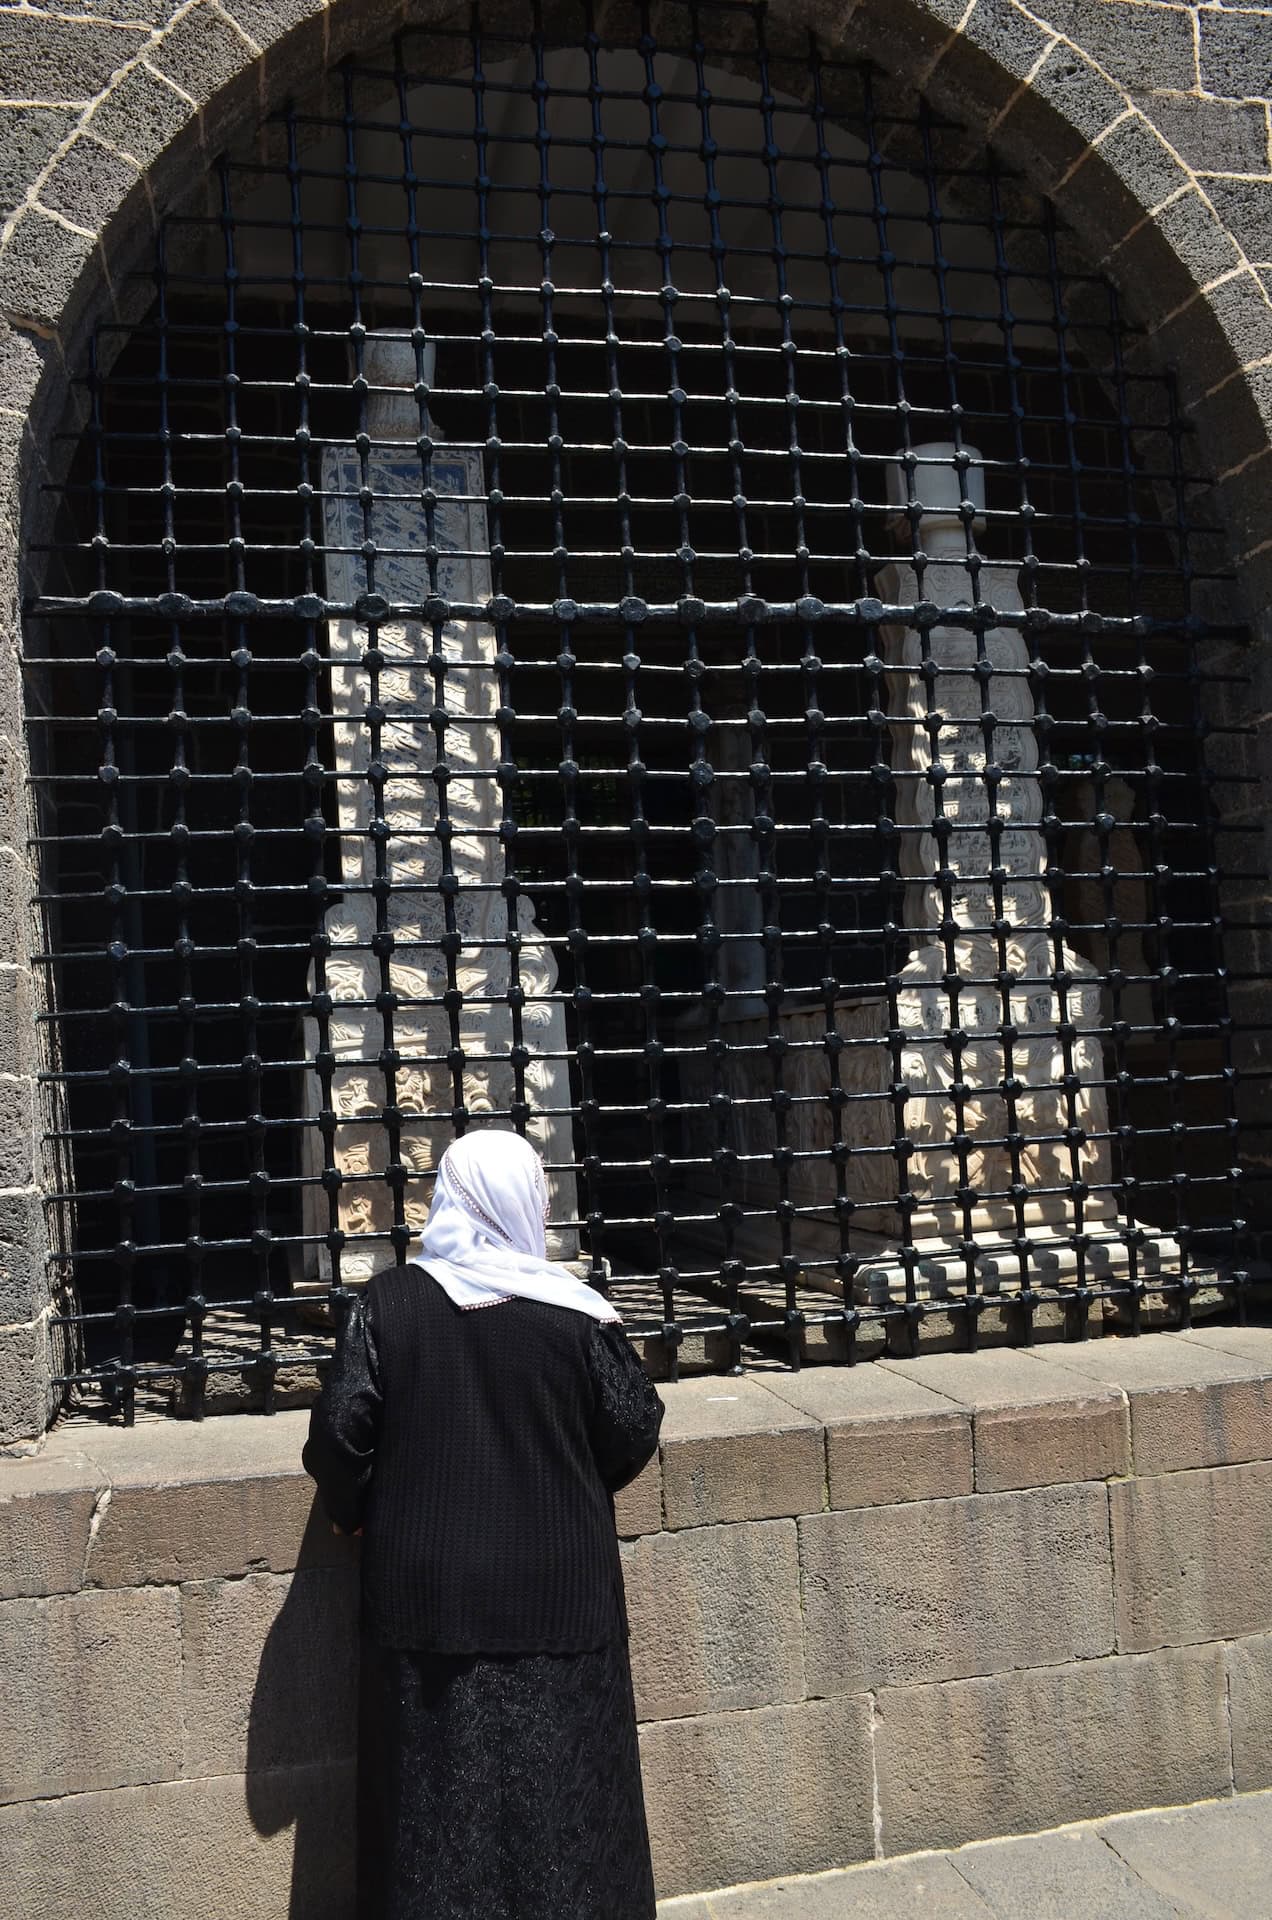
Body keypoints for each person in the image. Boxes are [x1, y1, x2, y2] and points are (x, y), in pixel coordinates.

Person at [303, 1127, 664, 1920]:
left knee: (434, 1812)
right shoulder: (575, 1313)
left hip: (426, 1599)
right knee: (567, 1812)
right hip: (559, 1597)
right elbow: (633, 1428)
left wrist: (351, 1512)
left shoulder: (390, 1304)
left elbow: (340, 1429)